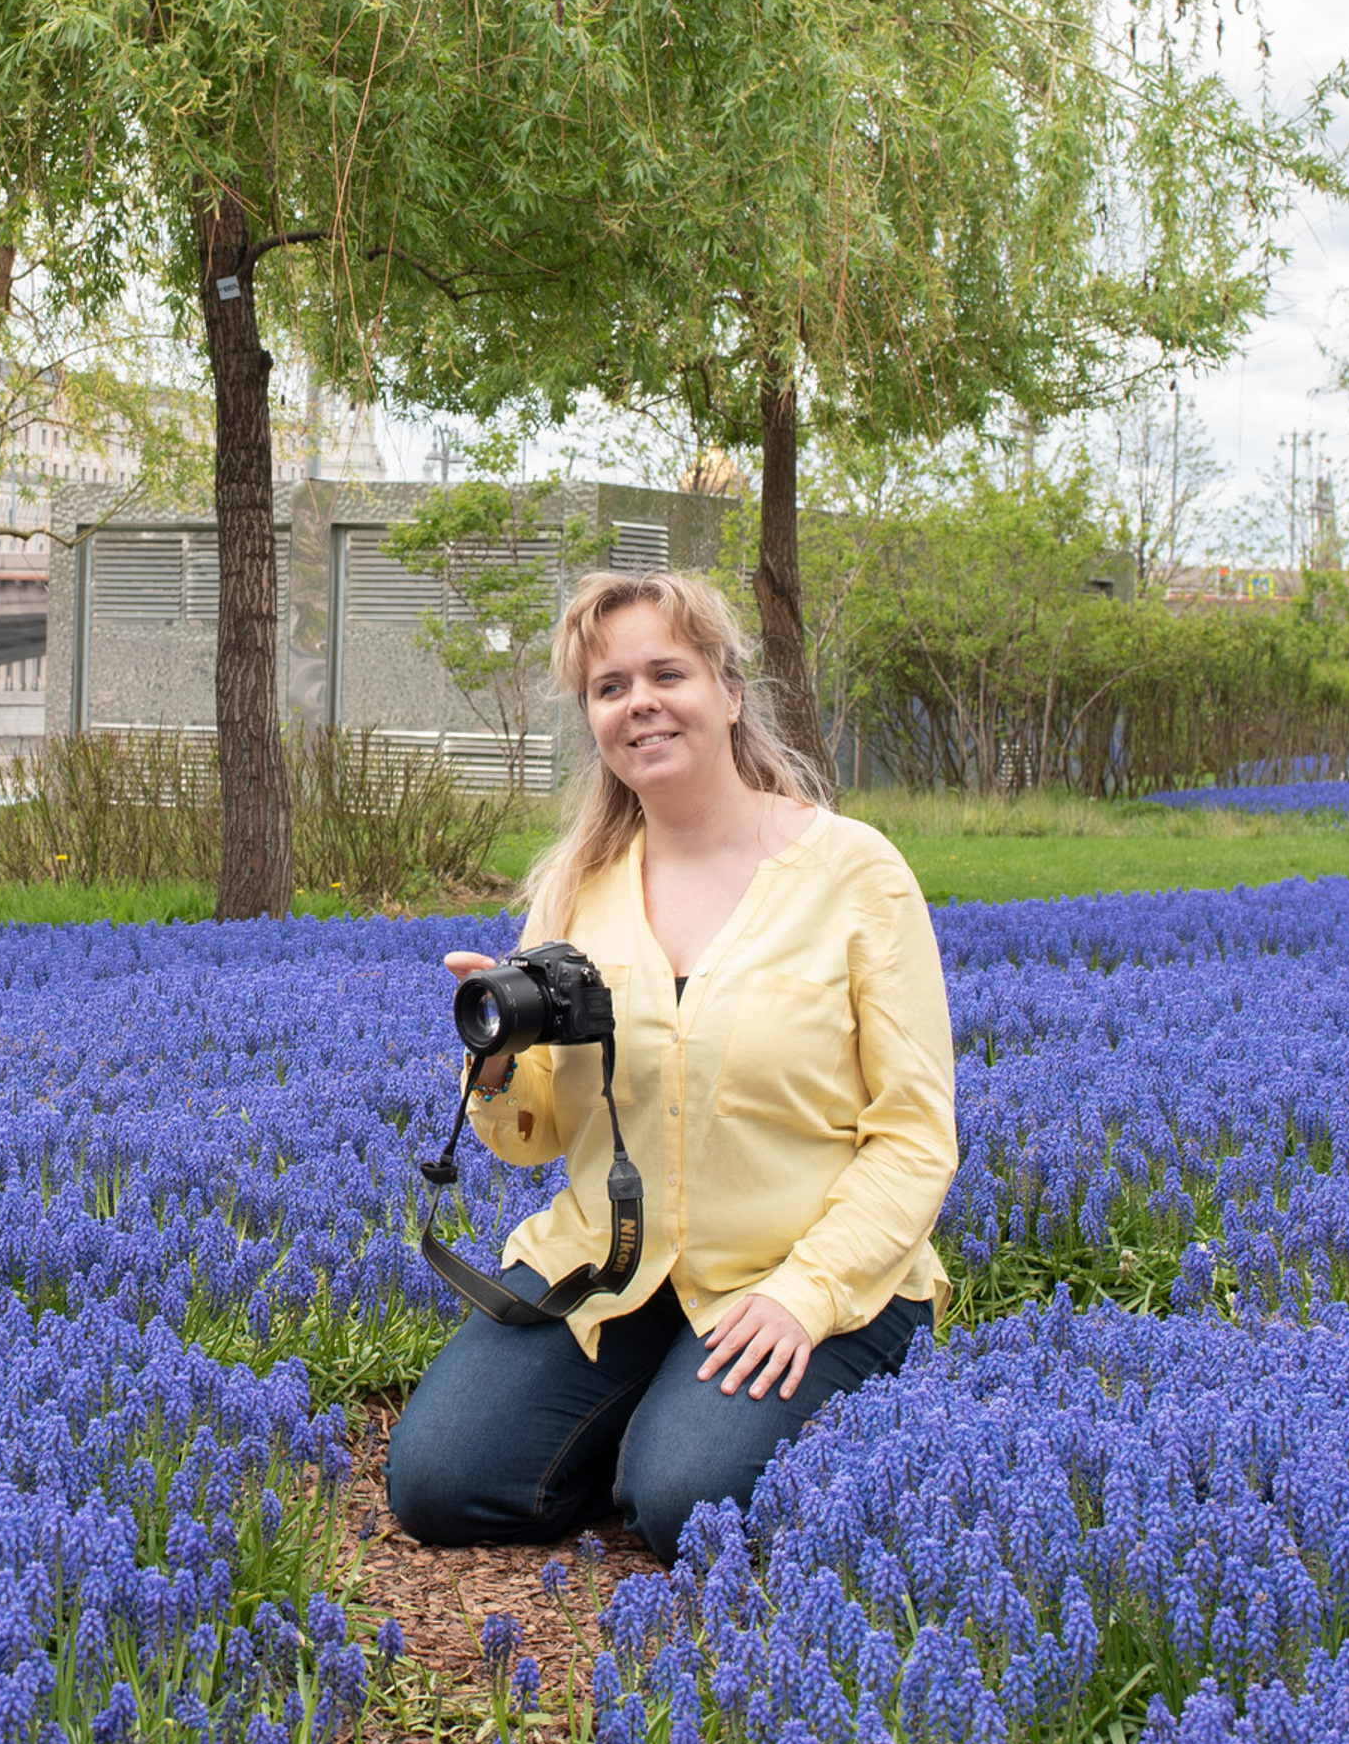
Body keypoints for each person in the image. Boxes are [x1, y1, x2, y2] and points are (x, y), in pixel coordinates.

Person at [384, 568, 956, 1562]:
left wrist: (805, 1295)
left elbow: (914, 1136)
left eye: (666, 674)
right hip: (611, 1268)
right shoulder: (577, 888)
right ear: (593, 720)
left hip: (795, 1268)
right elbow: (539, 1137)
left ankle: (685, 1430)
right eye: (610, 688)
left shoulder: (855, 874)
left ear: (729, 693)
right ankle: (661, 1411)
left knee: (684, 1499)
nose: (638, 703)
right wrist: (496, 1069)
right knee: (438, 1483)